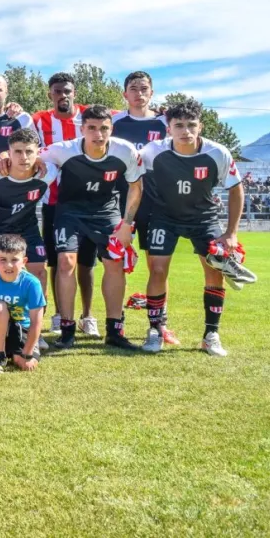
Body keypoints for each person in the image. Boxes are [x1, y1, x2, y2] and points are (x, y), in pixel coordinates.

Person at [140, 99, 246, 356]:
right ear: (169, 128)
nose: (185, 131)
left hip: (204, 219)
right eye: (178, 125)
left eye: (191, 125)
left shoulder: (218, 153)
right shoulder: (153, 151)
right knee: (157, 270)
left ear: (201, 126)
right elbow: (129, 174)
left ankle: (211, 334)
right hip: (164, 217)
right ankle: (155, 330)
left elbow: (236, 190)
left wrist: (231, 233)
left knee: (214, 272)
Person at [39, 105, 143, 350]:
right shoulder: (62, 150)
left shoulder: (124, 151)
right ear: (82, 129)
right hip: (69, 212)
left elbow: (136, 188)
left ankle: (115, 330)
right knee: (66, 262)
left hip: (106, 212)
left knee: (114, 262)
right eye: (92, 128)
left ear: (111, 129)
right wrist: (3, 157)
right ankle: (66, 330)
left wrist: (127, 224)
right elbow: (30, 157)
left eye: (104, 128)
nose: (98, 134)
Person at [110, 71, 174, 341]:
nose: (138, 93)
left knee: (157, 265)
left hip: (154, 202)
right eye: (133, 88)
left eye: (143, 88)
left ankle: (159, 323)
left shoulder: (165, 122)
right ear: (125, 94)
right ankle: (116, 322)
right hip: (117, 201)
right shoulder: (113, 121)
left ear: (152, 92)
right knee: (115, 263)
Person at [32, 72, 96, 336]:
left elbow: (130, 113)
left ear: (75, 93)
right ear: (51, 94)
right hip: (54, 202)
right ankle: (60, 315)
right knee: (58, 261)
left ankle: (88, 316)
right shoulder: (39, 120)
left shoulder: (90, 116)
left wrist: (160, 113)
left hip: (90, 202)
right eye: (58, 91)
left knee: (87, 263)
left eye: (67, 91)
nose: (63, 95)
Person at [0, 128, 55, 295]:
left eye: (29, 152)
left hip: (27, 229)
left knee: (39, 273)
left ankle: (33, 320)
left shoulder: (48, 173)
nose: (24, 157)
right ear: (9, 152)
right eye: (17, 151)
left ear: (37, 152)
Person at [0, 234, 46, 374]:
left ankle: (6, 347)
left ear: (24, 261)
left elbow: (36, 321)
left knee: (24, 364)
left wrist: (27, 353)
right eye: (3, 260)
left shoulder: (31, 283)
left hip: (20, 327)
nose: (9, 265)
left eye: (14, 260)